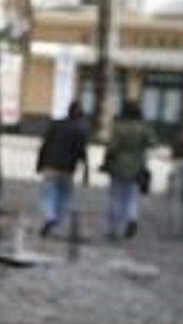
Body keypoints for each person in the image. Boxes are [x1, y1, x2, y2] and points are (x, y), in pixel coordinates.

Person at [36, 102, 90, 236]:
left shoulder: (55, 125)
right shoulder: (80, 130)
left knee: (48, 195)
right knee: (64, 197)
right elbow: (82, 153)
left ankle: (50, 217)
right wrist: (85, 172)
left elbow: (44, 145)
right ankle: (57, 219)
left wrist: (39, 164)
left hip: (50, 165)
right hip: (67, 169)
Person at [102, 101, 152, 240]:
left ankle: (113, 229)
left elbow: (112, 147)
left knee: (115, 197)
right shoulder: (143, 127)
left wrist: (106, 162)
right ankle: (132, 218)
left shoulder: (118, 126)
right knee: (131, 197)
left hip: (118, 165)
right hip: (137, 166)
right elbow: (152, 142)